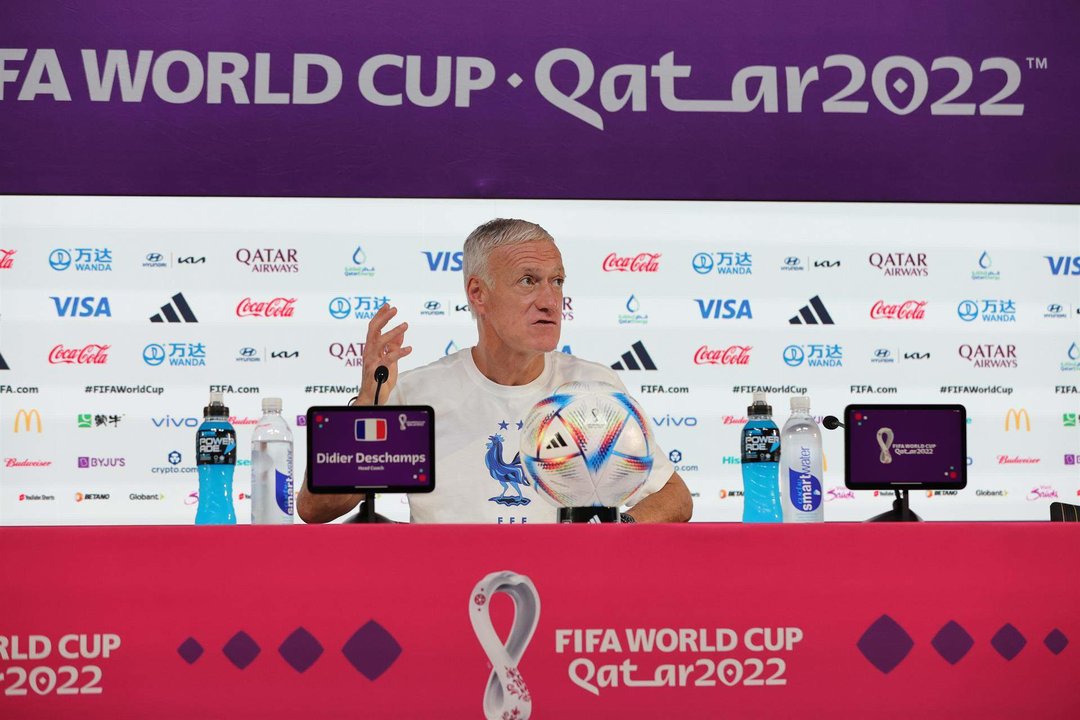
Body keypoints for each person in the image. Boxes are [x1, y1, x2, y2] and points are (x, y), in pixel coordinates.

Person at [297, 218, 693, 524]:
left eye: (557, 282)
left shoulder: (591, 388)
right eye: (528, 281)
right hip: (443, 600)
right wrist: (368, 403)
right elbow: (317, 509)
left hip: (564, 604)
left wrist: (617, 527)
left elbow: (674, 496)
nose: (550, 301)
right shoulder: (417, 393)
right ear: (477, 294)